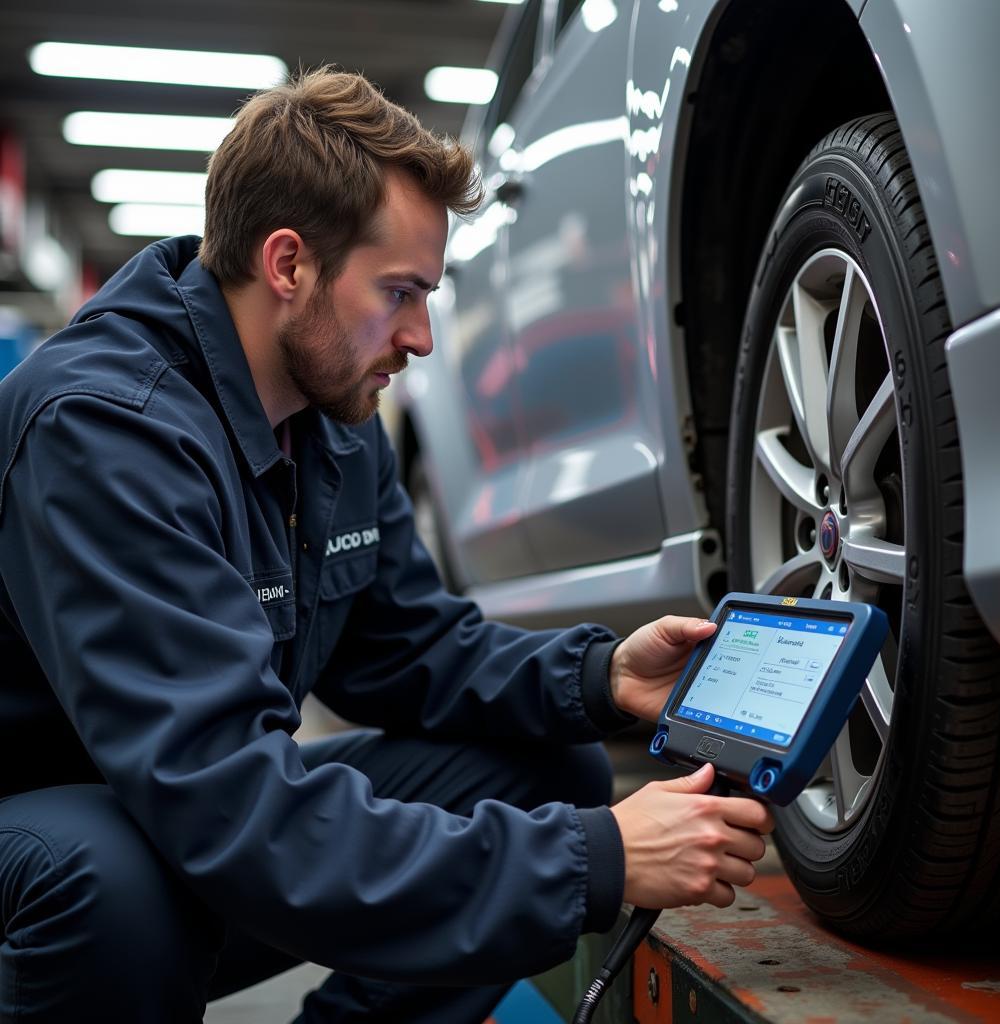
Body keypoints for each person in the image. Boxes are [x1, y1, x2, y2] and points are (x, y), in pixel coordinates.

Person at [0, 68, 772, 1023]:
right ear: (288, 265)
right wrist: (602, 858)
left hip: (188, 811)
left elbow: (410, 649)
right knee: (110, 882)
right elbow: (228, 800)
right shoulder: (104, 430)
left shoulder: (333, 416)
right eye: (400, 291)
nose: (422, 337)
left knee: (550, 776)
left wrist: (601, 678)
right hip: (50, 842)